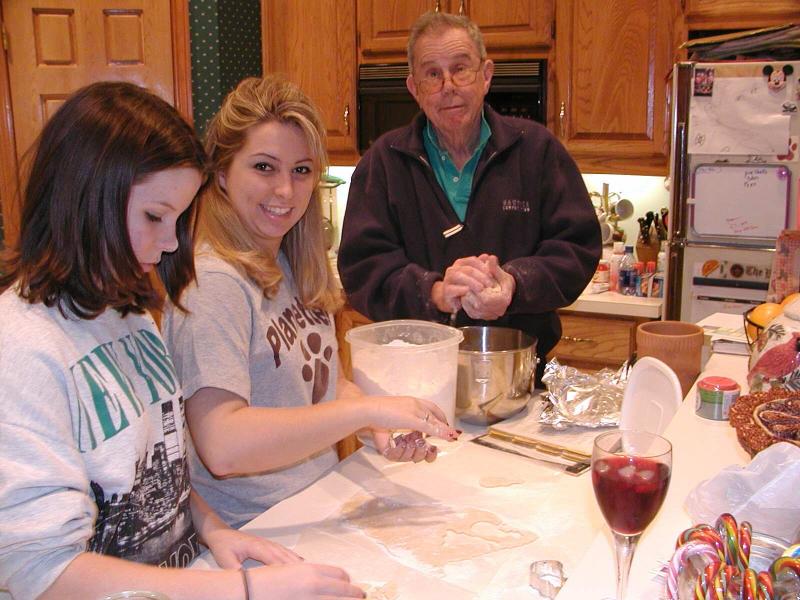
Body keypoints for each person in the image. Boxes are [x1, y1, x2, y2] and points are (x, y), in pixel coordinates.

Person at [0, 81, 365, 600]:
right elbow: (43, 574)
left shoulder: (126, 316)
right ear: (85, 198)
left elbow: (160, 474)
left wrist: (214, 531)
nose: (172, 243)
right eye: (154, 217)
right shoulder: (20, 348)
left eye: (177, 219)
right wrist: (244, 591)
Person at [162, 75, 460, 531]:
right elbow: (221, 446)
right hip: (257, 530)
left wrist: (376, 428)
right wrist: (364, 412)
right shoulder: (215, 284)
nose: (286, 190)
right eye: (264, 167)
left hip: (317, 504)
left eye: (301, 170)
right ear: (221, 172)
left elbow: (324, 387)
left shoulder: (292, 261)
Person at [337, 11, 602, 384]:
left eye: (461, 68)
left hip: (519, 371)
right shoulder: (384, 161)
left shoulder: (537, 150)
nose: (448, 85)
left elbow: (577, 249)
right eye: (432, 74)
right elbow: (363, 269)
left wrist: (514, 284)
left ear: (486, 75)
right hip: (416, 375)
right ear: (414, 88)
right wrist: (435, 292)